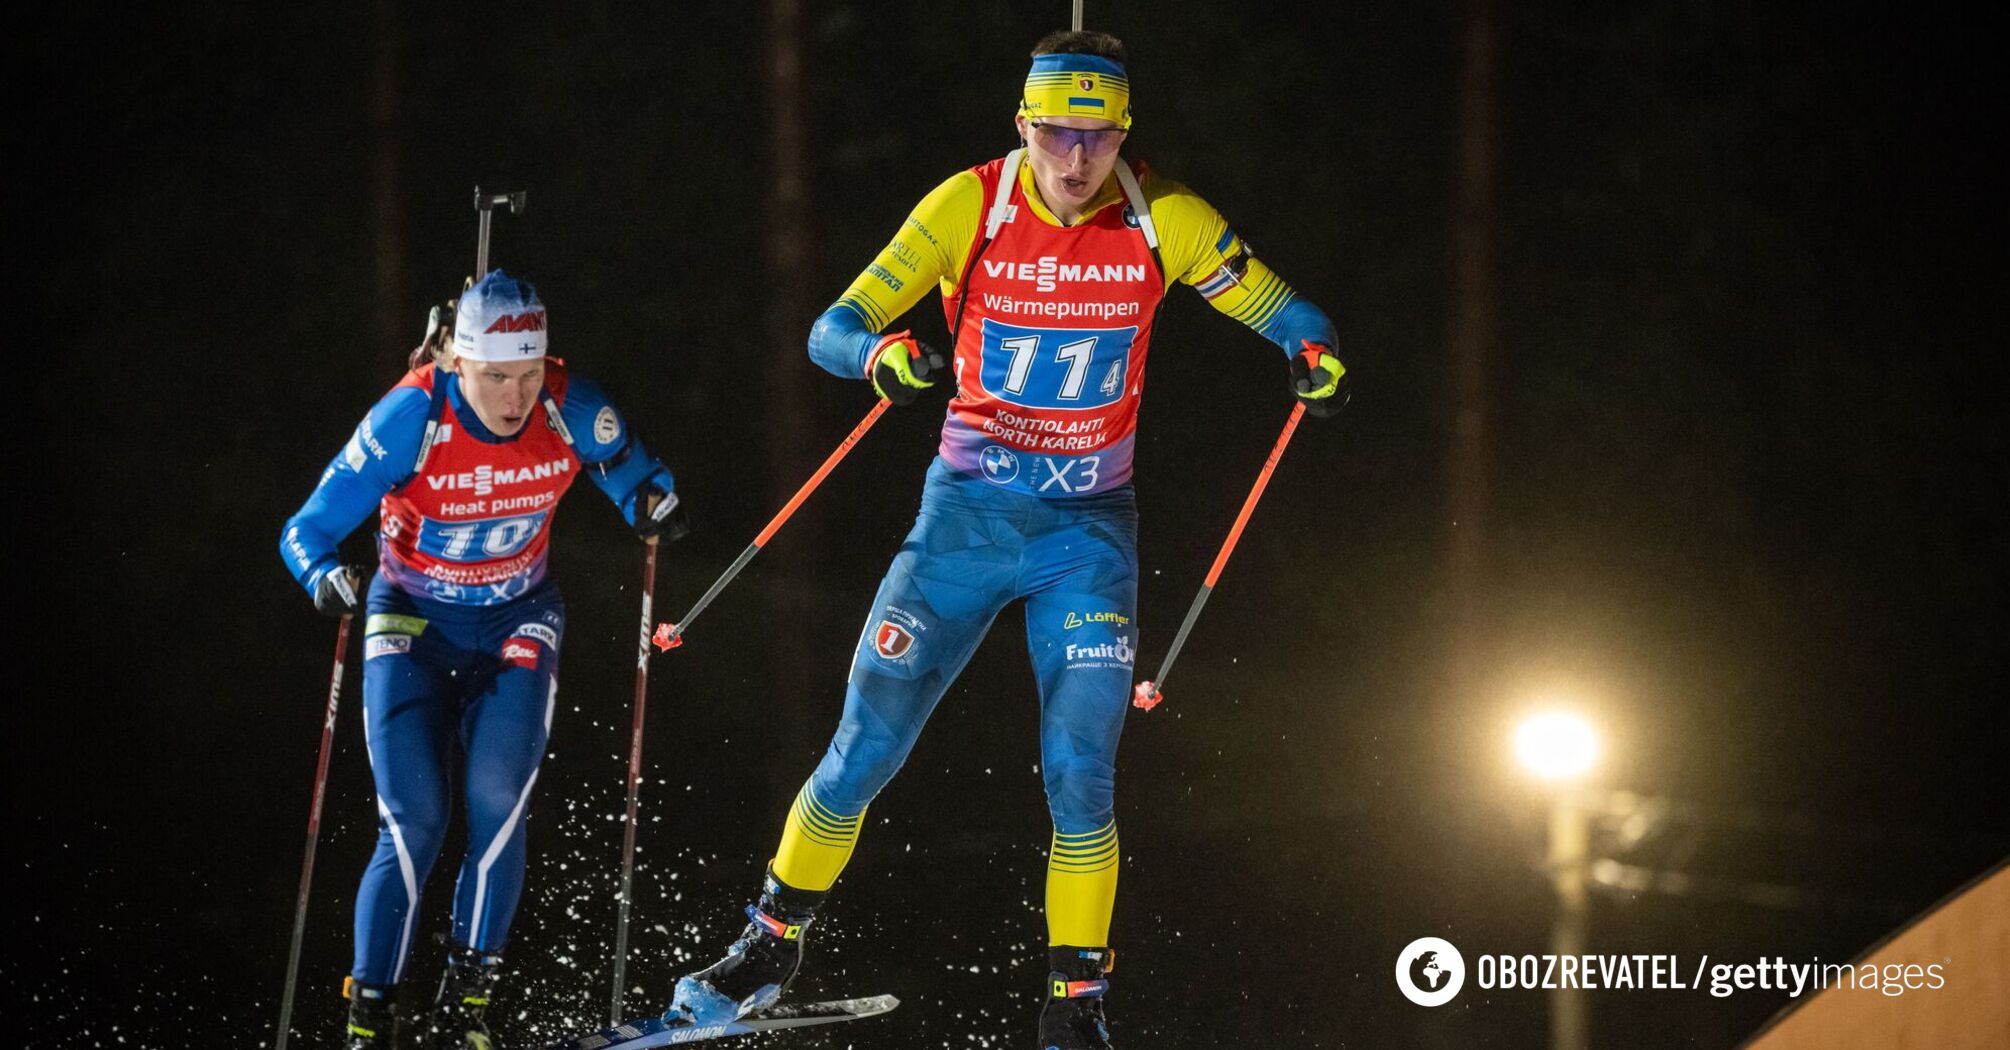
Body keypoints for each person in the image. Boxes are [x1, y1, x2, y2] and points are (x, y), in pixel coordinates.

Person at [663, 29, 1348, 1050]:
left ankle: (1076, 1005)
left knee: (1081, 771)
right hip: (965, 524)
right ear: (1024, 124)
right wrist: (881, 355)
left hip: (1087, 536)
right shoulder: (970, 206)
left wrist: (1314, 354)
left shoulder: (1164, 218)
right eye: (1058, 133)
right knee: (864, 747)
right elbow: (831, 328)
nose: (1078, 159)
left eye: (1100, 137)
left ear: (1125, 132)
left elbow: (1293, 314)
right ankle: (768, 945)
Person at [280, 270, 690, 1049]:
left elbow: (634, 472)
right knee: (415, 820)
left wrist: (652, 503)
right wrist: (323, 576)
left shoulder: (568, 405)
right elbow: (306, 530)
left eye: (529, 373)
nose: (515, 395)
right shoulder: (413, 415)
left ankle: (465, 1013)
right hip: (412, 622)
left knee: (498, 798)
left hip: (517, 620)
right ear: (458, 361)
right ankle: (370, 1021)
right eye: (496, 376)